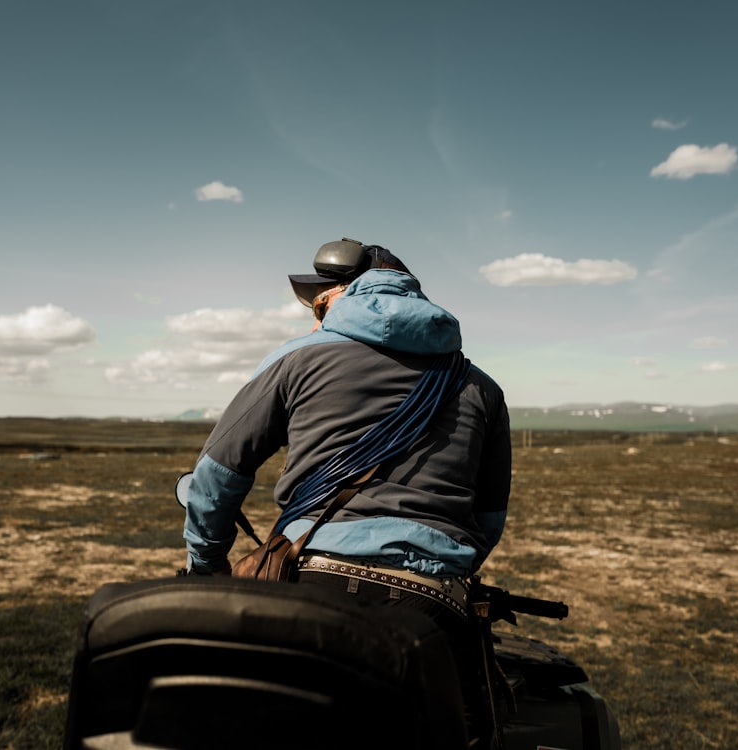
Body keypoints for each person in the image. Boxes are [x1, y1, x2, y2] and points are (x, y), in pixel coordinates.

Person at [181, 237, 511, 740]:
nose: (313, 320)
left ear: (336, 296)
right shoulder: (482, 387)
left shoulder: (297, 357)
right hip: (434, 604)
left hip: (314, 585)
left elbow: (215, 478)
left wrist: (206, 566)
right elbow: (487, 523)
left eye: (316, 304)